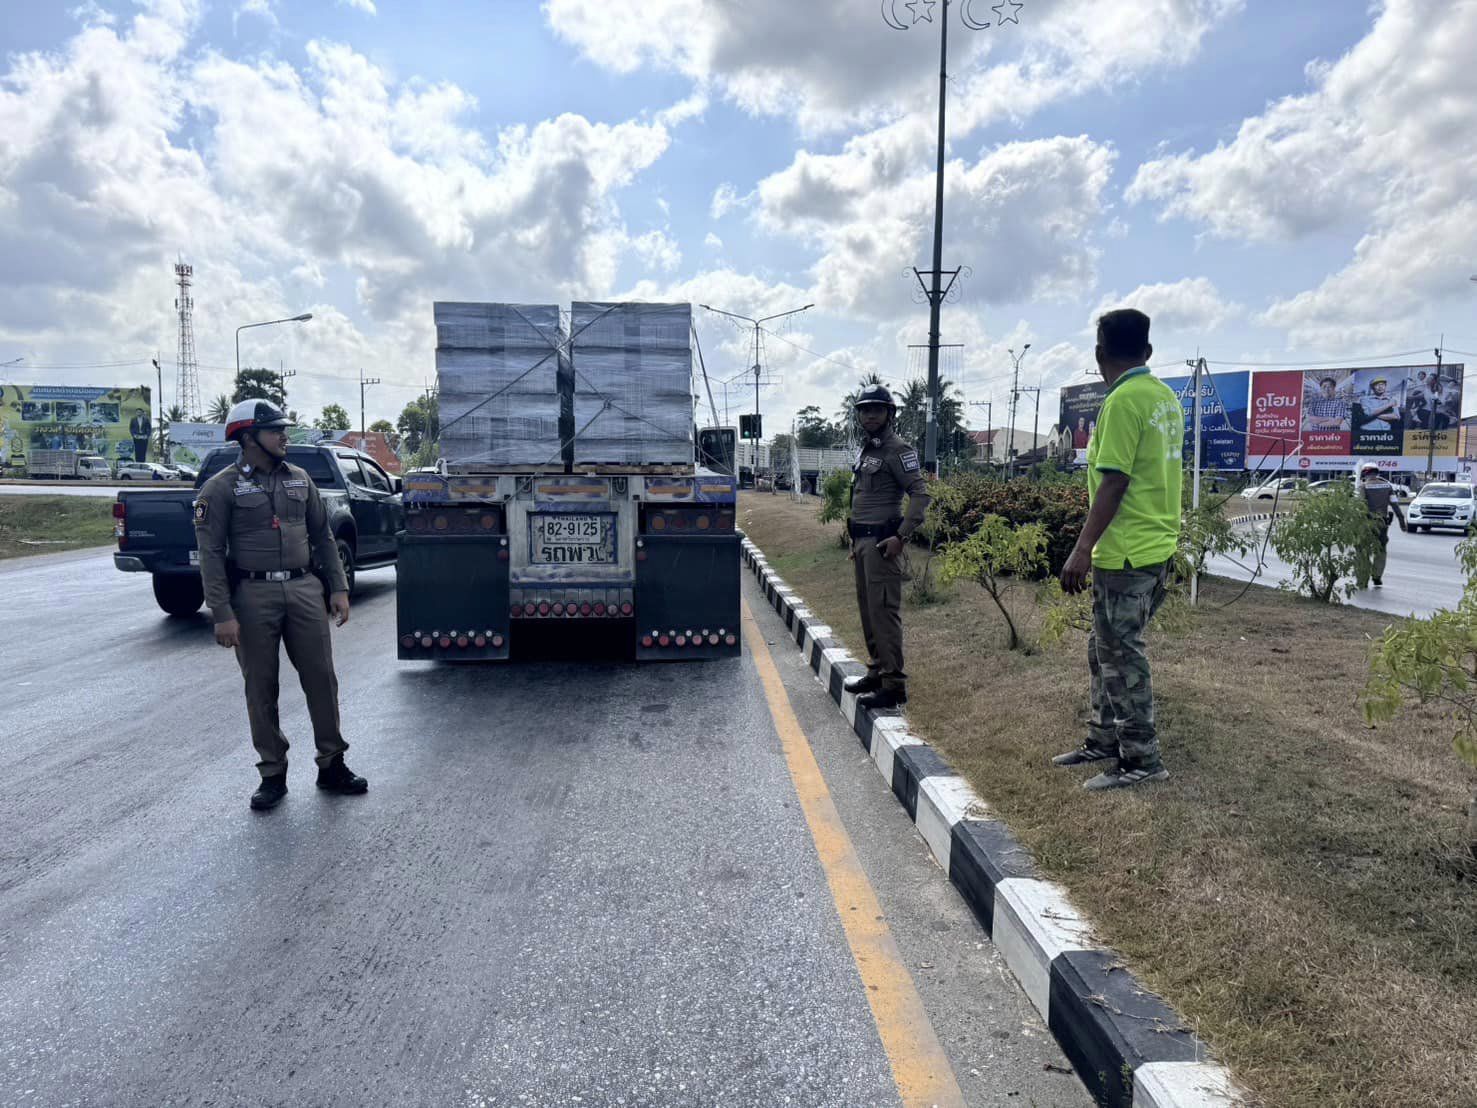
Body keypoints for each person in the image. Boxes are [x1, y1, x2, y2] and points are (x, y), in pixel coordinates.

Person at [194, 399, 367, 811]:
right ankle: (272, 773)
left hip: (304, 588)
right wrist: (222, 613)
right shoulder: (220, 488)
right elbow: (211, 555)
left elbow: (323, 536)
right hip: (252, 595)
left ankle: (332, 764)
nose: (284, 436)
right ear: (248, 438)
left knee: (322, 678)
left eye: (283, 429)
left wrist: (338, 588)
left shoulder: (300, 479)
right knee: (261, 686)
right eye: (275, 431)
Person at [1056, 309, 1183, 790]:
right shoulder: (1164, 399)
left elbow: (1114, 482)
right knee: (1103, 648)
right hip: (1156, 546)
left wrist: (1081, 549)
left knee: (1122, 657)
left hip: (1127, 552)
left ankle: (1141, 759)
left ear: (1098, 353)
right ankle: (1103, 737)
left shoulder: (1122, 401)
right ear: (1147, 351)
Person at [841, 385, 931, 711]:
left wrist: (901, 536)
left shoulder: (897, 450)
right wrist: (856, 541)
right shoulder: (868, 450)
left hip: (883, 545)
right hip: (863, 543)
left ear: (890, 414)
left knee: (883, 613)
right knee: (868, 611)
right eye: (865, 410)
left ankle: (893, 686)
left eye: (877, 410)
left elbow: (920, 494)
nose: (870, 415)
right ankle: (877, 672)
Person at [1357, 463, 1406, 588]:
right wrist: (1402, 522)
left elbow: (1360, 505)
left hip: (1366, 523)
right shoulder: (1387, 486)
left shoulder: (1363, 486)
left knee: (1362, 550)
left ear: (1365, 473)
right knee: (1381, 550)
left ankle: (1362, 579)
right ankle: (1377, 576)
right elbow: (1395, 505)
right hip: (1382, 523)